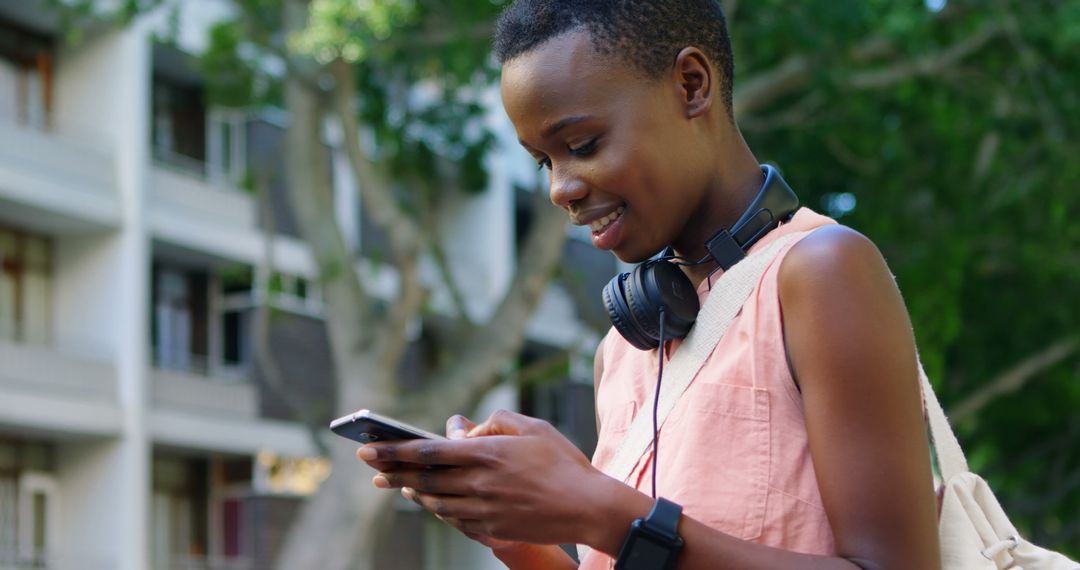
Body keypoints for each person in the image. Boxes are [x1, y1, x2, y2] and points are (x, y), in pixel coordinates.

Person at [357, 1, 941, 568]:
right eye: (544, 161)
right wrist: (516, 539)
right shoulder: (625, 350)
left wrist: (599, 507)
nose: (561, 188)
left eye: (581, 146)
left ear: (691, 84)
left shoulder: (820, 272)